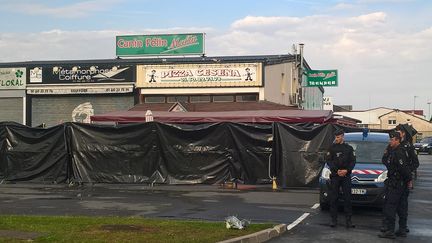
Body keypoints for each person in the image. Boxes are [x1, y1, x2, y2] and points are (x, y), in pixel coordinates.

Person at [379, 132, 412, 239]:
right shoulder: (393, 151)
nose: (390, 141)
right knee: (400, 207)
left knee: (390, 207)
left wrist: (409, 180)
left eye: (392, 140)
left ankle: (390, 231)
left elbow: (404, 169)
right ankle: (402, 230)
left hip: (396, 184)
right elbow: (385, 161)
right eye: (390, 140)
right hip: (399, 183)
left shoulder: (399, 152)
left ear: (397, 140)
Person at [327, 129, 356, 228]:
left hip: (346, 176)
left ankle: (349, 221)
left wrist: (346, 170)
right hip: (335, 176)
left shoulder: (349, 148)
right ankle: (333, 220)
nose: (336, 139)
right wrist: (336, 171)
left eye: (338, 137)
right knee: (334, 198)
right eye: (335, 137)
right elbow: (329, 161)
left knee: (347, 199)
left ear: (343, 137)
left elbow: (353, 162)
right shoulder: (332, 148)